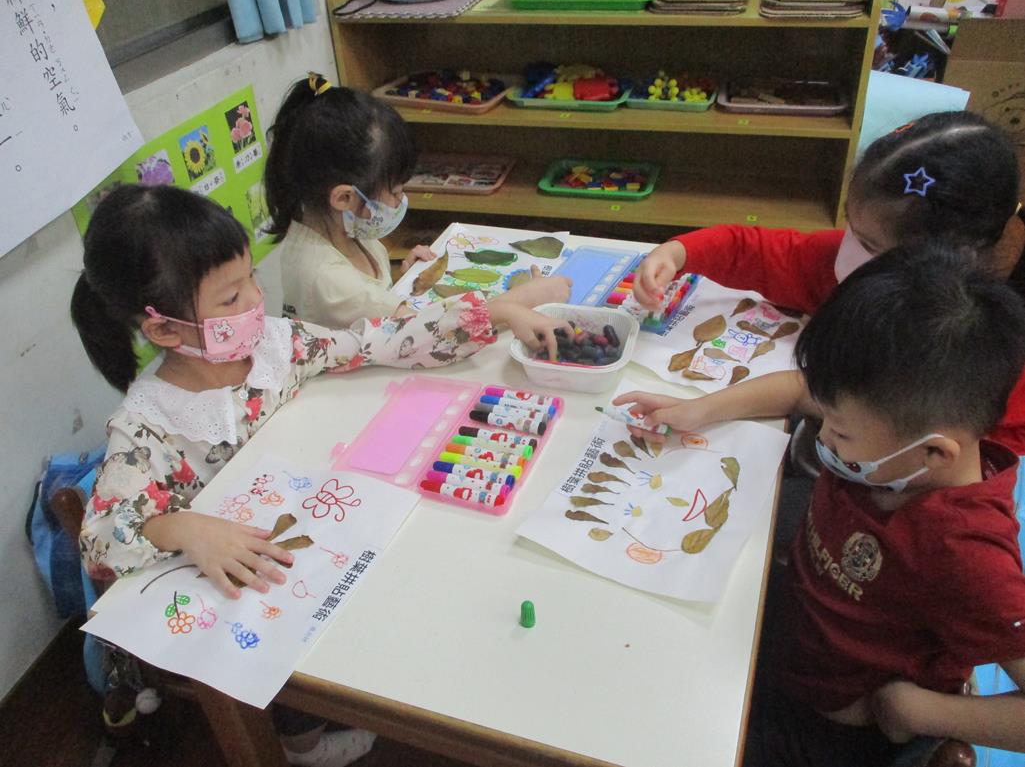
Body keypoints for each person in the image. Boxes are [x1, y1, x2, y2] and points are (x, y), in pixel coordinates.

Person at [69, 184, 561, 766]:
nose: (257, 299)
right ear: (164, 331)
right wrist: (183, 528)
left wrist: (493, 314)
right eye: (232, 296)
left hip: (316, 534)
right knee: (288, 658)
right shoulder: (147, 425)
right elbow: (99, 539)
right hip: (249, 585)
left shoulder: (279, 346)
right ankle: (300, 745)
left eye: (252, 278)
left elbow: (376, 341)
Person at [617, 244, 1025, 766]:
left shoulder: (967, 554)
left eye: (841, 433)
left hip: (827, 731)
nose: (824, 436)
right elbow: (798, 390)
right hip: (790, 633)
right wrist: (699, 409)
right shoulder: (889, 423)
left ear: (934, 452)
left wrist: (921, 711)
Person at [633, 111, 1025, 451]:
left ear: (949, 261)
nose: (848, 248)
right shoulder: (846, 260)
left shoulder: (976, 365)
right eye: (851, 225)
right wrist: (677, 253)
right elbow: (752, 250)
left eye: (870, 245)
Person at [265, 72, 569, 330]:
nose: (402, 200)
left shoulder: (342, 227)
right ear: (344, 197)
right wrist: (527, 297)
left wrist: (404, 279)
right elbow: (434, 330)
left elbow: (369, 301)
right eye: (396, 192)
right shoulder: (325, 278)